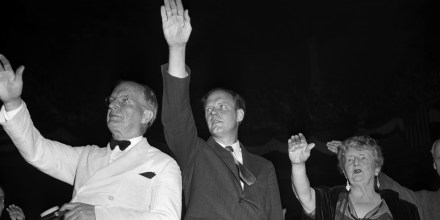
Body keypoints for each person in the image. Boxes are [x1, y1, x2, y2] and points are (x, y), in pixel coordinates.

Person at [0, 54, 182, 220]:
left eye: (125, 100)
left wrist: (98, 213)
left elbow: (167, 218)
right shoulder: (87, 156)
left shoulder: (163, 164)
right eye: (111, 100)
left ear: (146, 115)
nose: (113, 106)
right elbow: (37, 151)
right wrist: (12, 103)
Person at [160, 0, 284, 219]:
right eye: (208, 109)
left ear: (239, 115)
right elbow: (176, 115)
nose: (213, 112)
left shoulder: (264, 167)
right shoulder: (194, 153)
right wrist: (177, 49)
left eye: (222, 106)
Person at [289, 133, 419, 220]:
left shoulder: (404, 211)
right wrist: (298, 164)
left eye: (363, 157)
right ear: (345, 172)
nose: (356, 162)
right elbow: (304, 196)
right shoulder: (331, 201)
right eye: (350, 159)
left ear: (377, 168)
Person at [328, 138, 440, 220]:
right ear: (435, 164)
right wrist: (354, 153)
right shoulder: (425, 202)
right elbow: (396, 191)